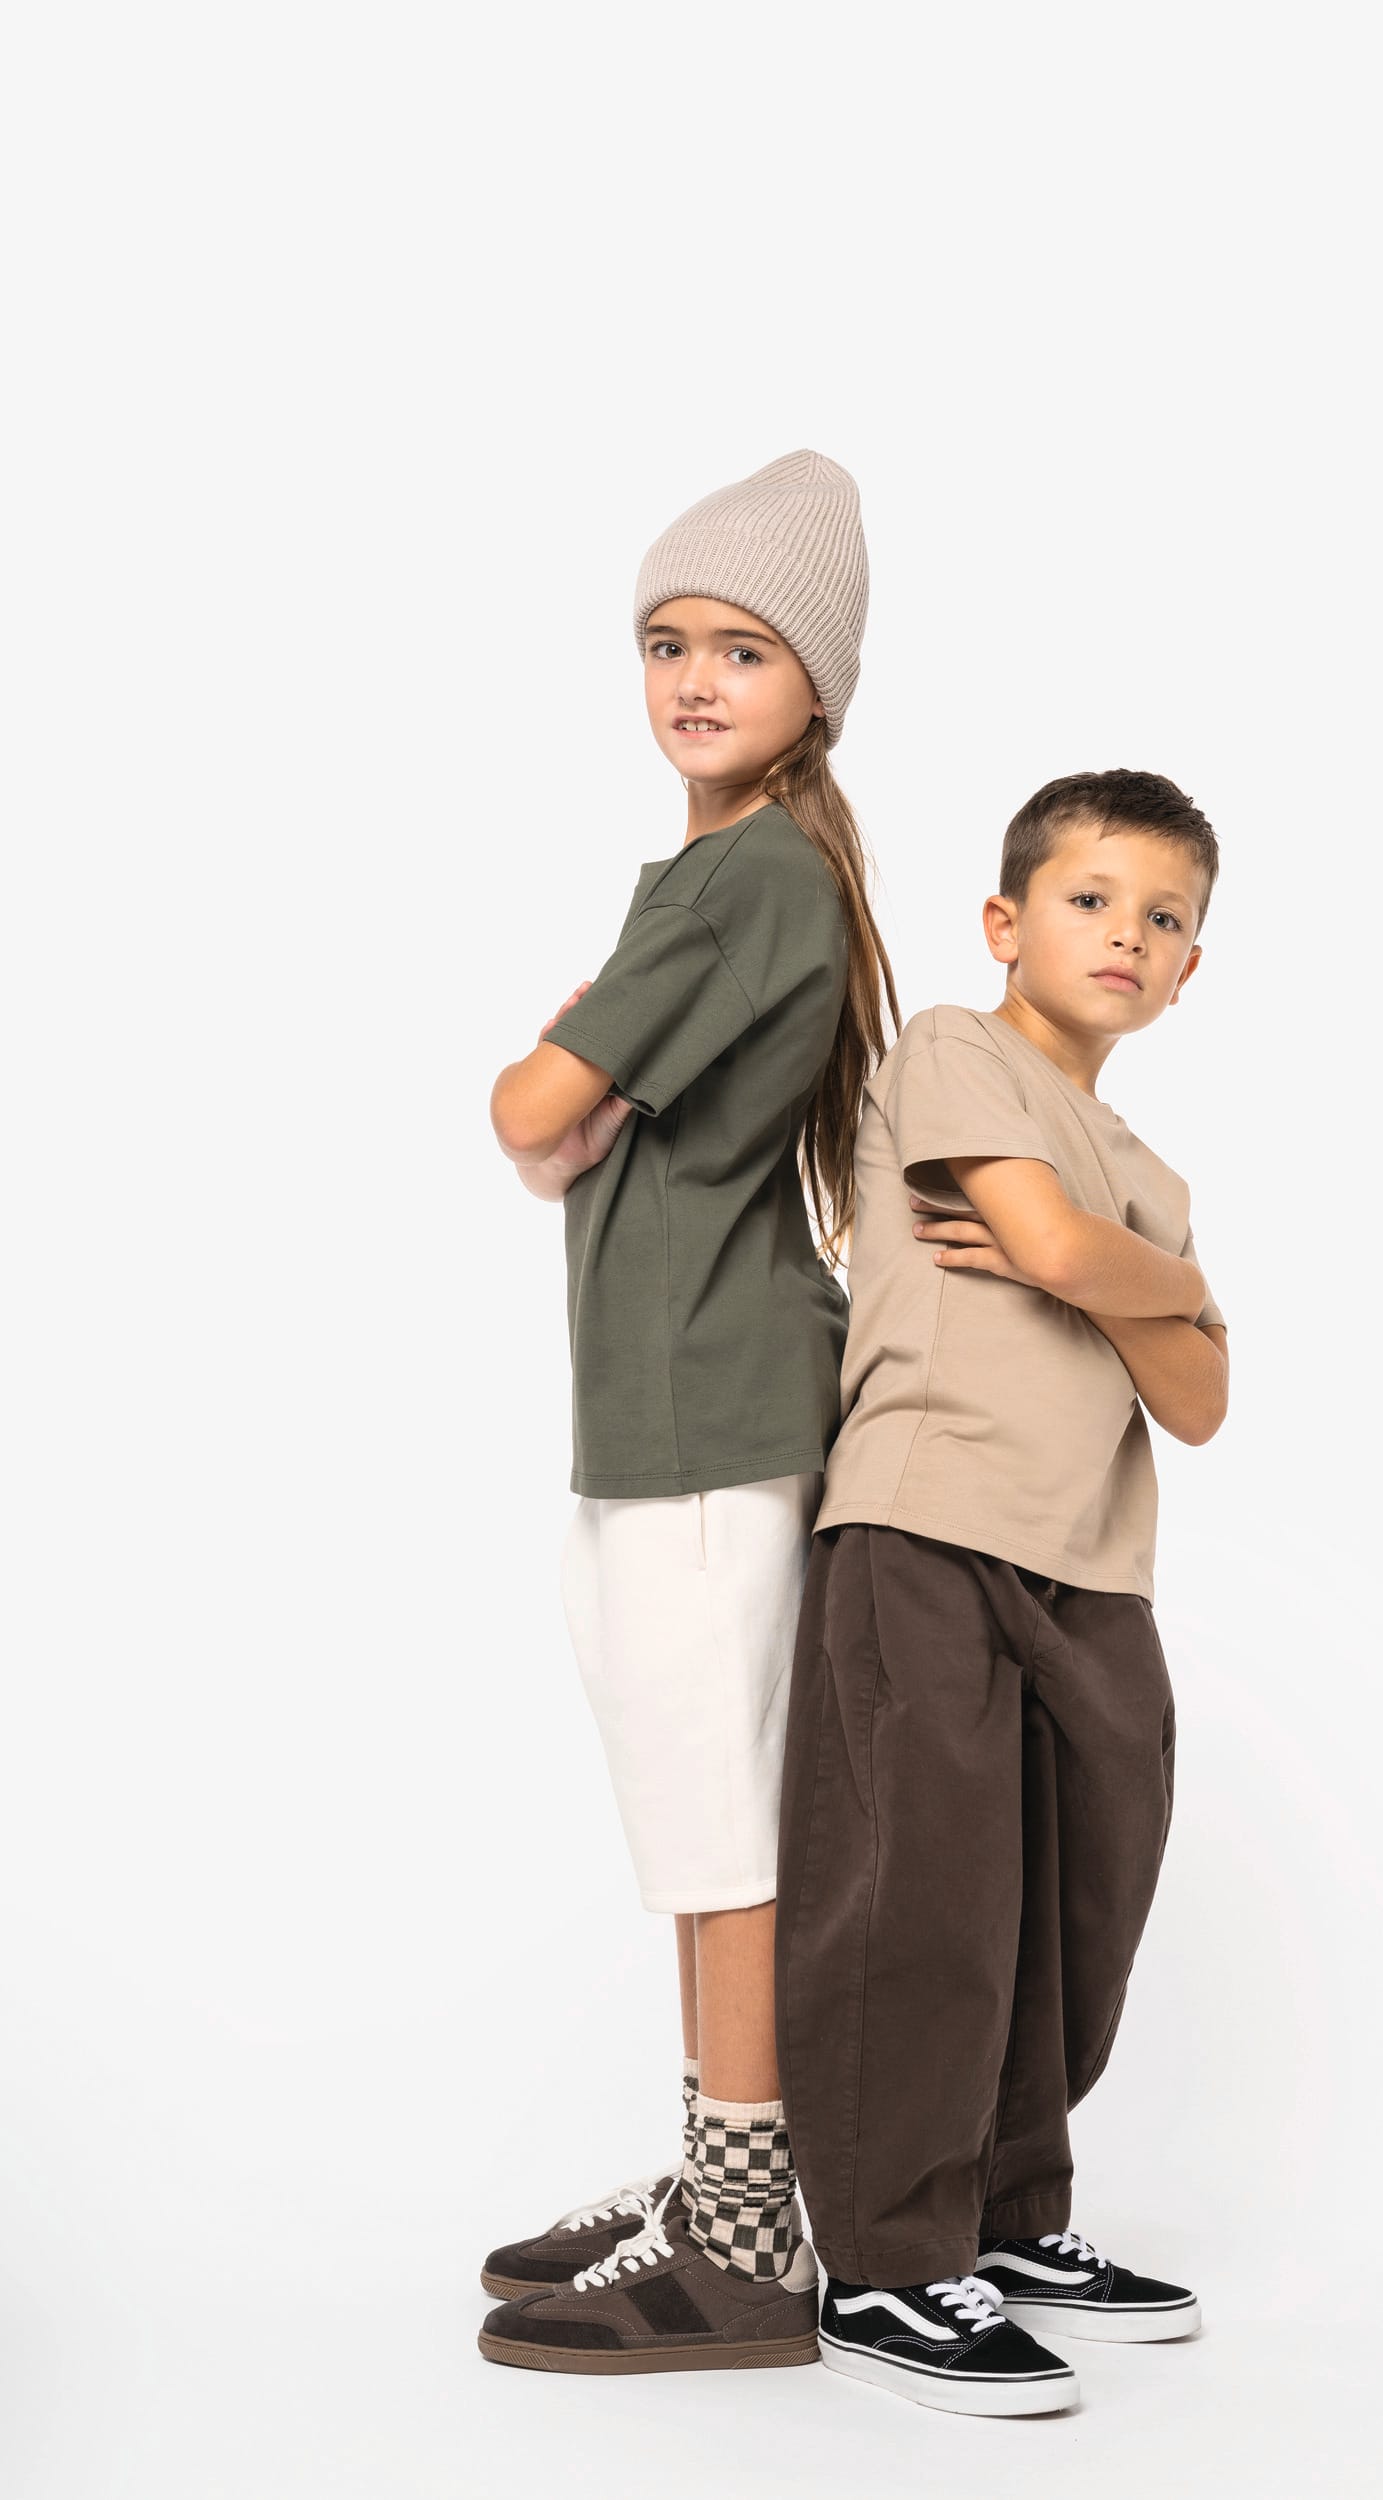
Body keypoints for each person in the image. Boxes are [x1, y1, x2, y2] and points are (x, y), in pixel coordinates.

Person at [478, 452, 896, 2376]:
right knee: (693, 1819)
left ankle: (741, 2247)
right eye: (666, 643)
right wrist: (562, 1113)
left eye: (743, 646)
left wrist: (556, 1090)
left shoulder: (747, 878)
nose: (696, 679)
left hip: (714, 1418)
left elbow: (524, 1114)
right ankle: (726, 2176)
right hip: (678, 1409)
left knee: (723, 1838)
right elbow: (554, 1143)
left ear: (819, 684)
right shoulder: (747, 874)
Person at [775, 769, 1229, 2416]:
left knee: (1074, 1903)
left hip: (1094, 1564)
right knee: (927, 1897)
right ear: (1004, 921)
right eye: (1090, 899)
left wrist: (1145, 1278)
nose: (1126, 934)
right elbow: (1047, 1251)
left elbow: (1198, 1401)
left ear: (1189, 969)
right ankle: (884, 2265)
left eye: (1163, 919)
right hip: (927, 1523)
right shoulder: (957, 1052)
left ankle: (1008, 2215)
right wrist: (1159, 1293)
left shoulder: (1150, 1176)